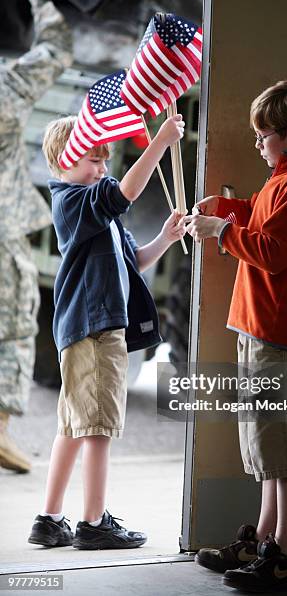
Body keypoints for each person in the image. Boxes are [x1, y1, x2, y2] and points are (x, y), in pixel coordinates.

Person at [185, 79, 287, 592]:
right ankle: (265, 539)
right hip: (257, 327)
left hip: (281, 335)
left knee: (285, 448)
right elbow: (262, 221)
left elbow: (272, 250)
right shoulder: (282, 176)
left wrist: (221, 233)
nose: (257, 144)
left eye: (262, 135)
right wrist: (227, 211)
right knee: (265, 446)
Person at [28, 113, 186, 549]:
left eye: (104, 159)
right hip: (95, 330)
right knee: (98, 427)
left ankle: (50, 517)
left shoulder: (98, 213)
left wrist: (166, 238)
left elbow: (133, 261)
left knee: (74, 424)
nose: (101, 168)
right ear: (62, 162)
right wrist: (161, 141)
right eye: (91, 160)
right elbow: (126, 191)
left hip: (88, 327)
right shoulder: (74, 201)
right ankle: (94, 522)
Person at [0, 0, 72, 474]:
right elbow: (58, 48)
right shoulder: (6, 87)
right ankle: (0, 432)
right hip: (2, 231)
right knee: (16, 327)